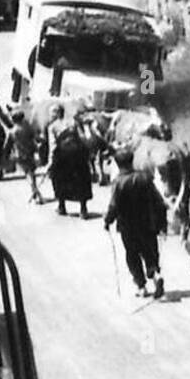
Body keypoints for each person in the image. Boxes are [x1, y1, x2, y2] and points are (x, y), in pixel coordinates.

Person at [104, 147, 166, 298]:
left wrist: (107, 220)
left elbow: (113, 206)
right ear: (131, 161)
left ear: (118, 165)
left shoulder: (118, 182)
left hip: (127, 227)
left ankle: (141, 286)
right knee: (150, 251)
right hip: (147, 224)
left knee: (132, 255)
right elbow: (159, 201)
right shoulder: (144, 177)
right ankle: (155, 274)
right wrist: (162, 223)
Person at [48, 112, 94, 218]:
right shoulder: (73, 123)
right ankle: (83, 209)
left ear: (56, 114)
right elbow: (82, 137)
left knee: (59, 179)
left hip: (62, 155)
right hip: (78, 153)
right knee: (81, 179)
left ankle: (61, 206)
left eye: (52, 113)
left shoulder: (52, 127)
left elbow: (53, 145)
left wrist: (51, 163)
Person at [5, 110, 43, 203]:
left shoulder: (12, 132)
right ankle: (35, 191)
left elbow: (7, 145)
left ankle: (35, 191)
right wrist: (42, 141)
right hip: (30, 153)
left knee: (27, 173)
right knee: (32, 173)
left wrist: (6, 156)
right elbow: (36, 138)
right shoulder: (28, 128)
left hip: (19, 155)